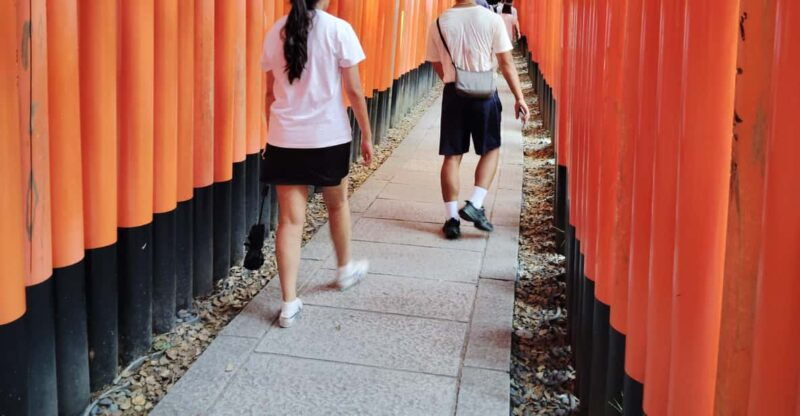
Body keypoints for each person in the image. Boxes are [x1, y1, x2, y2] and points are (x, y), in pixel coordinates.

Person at [261, 0, 372, 328]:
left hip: (284, 138)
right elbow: (353, 90)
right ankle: (343, 270)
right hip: (328, 137)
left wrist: (275, 131)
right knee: (337, 206)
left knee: (290, 222)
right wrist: (366, 133)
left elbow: (270, 95)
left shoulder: (275, 32)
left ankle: (288, 303)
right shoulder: (339, 30)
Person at [426, 0, 530, 240]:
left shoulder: (439, 22)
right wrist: (519, 97)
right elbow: (506, 63)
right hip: (484, 93)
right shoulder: (491, 19)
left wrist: (453, 80)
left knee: (452, 156)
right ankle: (475, 202)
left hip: (454, 93)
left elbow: (434, 61)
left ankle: (452, 220)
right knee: (491, 149)